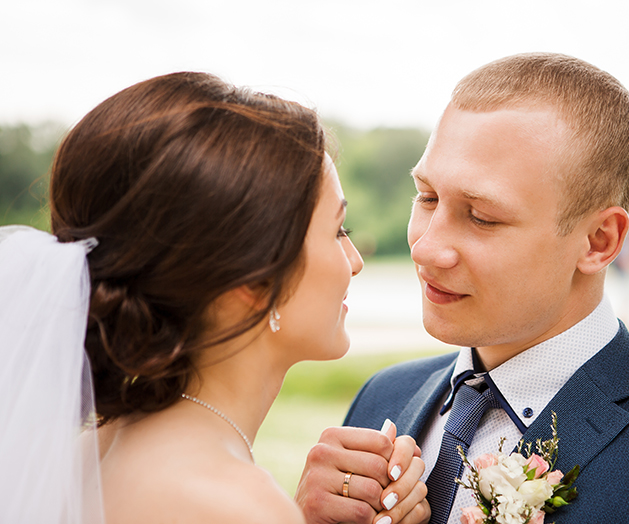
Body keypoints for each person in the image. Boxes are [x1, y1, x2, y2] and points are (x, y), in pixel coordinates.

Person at [298, 53, 629, 523]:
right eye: (427, 197)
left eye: (482, 217)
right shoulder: (382, 399)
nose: (427, 248)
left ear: (599, 242)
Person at [0, 72, 428, 524]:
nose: (355, 260)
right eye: (338, 230)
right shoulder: (231, 503)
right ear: (254, 279)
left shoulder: (93, 452)